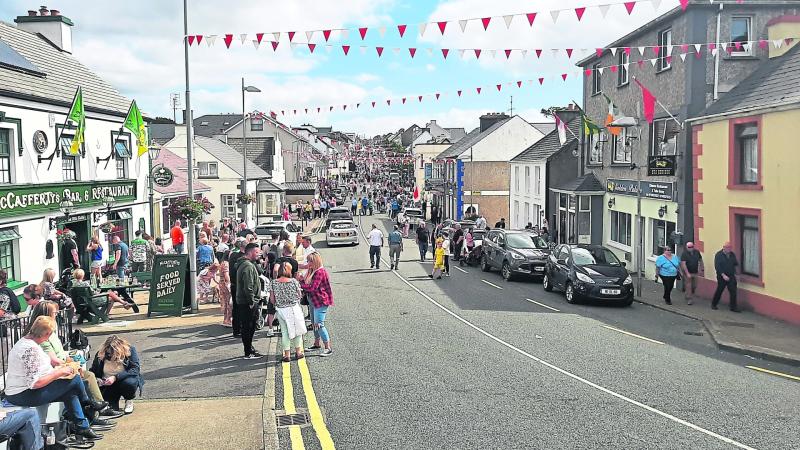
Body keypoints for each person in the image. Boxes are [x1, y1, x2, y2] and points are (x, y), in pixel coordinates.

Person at [5, 316, 104, 440]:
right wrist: (60, 372)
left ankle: (83, 426)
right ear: (46, 333)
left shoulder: (27, 342)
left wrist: (59, 370)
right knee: (74, 380)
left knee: (70, 389)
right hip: (22, 394)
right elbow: (35, 383)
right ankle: (88, 404)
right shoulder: (29, 349)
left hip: (23, 392)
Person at [24, 300, 122, 421]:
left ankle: (93, 413)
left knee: (86, 376)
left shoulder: (49, 332)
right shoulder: (43, 336)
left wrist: (71, 361)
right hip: (52, 372)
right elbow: (54, 361)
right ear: (46, 315)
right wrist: (72, 367)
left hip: (60, 367)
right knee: (82, 380)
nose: (57, 315)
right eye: (55, 313)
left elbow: (60, 355)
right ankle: (93, 412)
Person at [89, 335, 143, 415]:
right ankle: (112, 401)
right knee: (109, 409)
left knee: (129, 383)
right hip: (108, 384)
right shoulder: (100, 354)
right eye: (108, 354)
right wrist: (97, 379)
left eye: (113, 354)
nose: (110, 356)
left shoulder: (130, 350)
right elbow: (92, 371)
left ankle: (129, 400)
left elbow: (135, 369)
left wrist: (115, 377)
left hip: (124, 380)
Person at [299, 253, 333, 357]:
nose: (308, 263)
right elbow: (308, 285)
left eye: (310, 261)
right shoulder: (313, 271)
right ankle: (316, 343)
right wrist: (302, 280)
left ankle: (328, 348)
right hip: (313, 300)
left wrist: (300, 283)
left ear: (315, 262)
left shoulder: (320, 272)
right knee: (314, 323)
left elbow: (312, 288)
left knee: (319, 324)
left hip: (320, 301)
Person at [272, 262, 305, 362]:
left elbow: (272, 299)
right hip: (293, 309)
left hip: (281, 310)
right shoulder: (294, 281)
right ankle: (298, 352)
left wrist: (277, 304)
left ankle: (287, 355)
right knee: (297, 331)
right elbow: (299, 295)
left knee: (284, 332)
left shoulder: (273, 282)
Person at [236, 243, 264, 359]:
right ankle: (248, 352)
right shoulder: (247, 266)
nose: (258, 255)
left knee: (249, 326)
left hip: (246, 301)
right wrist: (252, 301)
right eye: (257, 252)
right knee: (248, 327)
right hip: (247, 302)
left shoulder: (247, 264)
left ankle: (249, 348)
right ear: (251, 252)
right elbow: (248, 286)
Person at [228, 238, 248, 338]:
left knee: (235, 308)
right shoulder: (243, 257)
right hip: (240, 286)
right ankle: (241, 329)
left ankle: (236, 330)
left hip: (233, 284)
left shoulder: (232, 255)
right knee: (242, 307)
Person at [712, 242, 740, 312]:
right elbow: (717, 267)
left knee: (733, 291)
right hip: (722, 276)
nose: (729, 249)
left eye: (730, 247)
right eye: (727, 247)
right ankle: (714, 304)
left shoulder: (732, 254)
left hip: (731, 275)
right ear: (724, 247)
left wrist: (737, 274)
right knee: (720, 290)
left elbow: (735, 264)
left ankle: (733, 307)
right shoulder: (719, 255)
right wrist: (723, 275)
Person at [218, 260, 233, 327]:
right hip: (226, 285)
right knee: (229, 302)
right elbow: (226, 275)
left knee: (224, 302)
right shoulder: (226, 263)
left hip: (221, 284)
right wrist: (229, 283)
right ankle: (228, 319)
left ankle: (225, 319)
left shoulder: (222, 263)